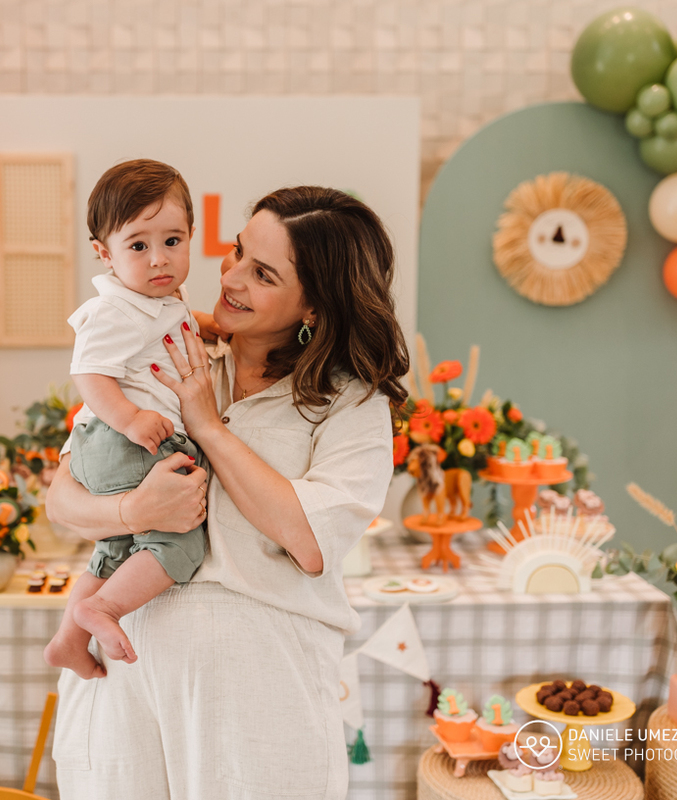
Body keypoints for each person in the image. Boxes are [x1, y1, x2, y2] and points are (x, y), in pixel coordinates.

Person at [47, 185, 410, 799]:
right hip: (124, 675)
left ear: (315, 307)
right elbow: (64, 498)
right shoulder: (166, 344)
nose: (232, 277)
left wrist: (207, 425)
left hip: (260, 692)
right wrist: (130, 511)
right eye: (238, 251)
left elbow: (309, 537)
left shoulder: (352, 403)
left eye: (262, 272)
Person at [44, 159, 209, 680]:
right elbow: (89, 374)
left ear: (190, 237)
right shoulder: (113, 310)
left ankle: (69, 640)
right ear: (104, 253)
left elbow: (180, 322)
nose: (159, 259)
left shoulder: (155, 299)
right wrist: (133, 418)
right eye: (138, 245)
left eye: (173, 241)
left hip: (114, 444)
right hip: (123, 441)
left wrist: (213, 327)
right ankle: (102, 611)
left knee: (117, 546)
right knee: (177, 540)